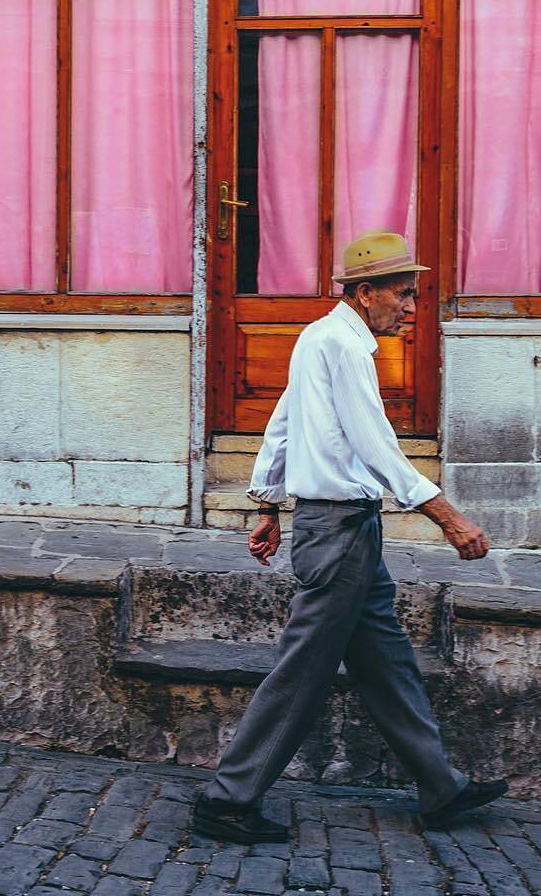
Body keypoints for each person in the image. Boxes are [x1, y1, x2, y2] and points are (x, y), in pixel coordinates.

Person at [192, 231, 508, 844]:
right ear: (366, 294)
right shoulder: (343, 346)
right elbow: (374, 443)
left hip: (344, 528)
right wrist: (447, 516)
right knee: (303, 671)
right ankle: (228, 800)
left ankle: (440, 786)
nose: (412, 308)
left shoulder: (322, 337)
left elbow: (283, 421)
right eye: (403, 295)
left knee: (386, 662)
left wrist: (266, 501)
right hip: (338, 531)